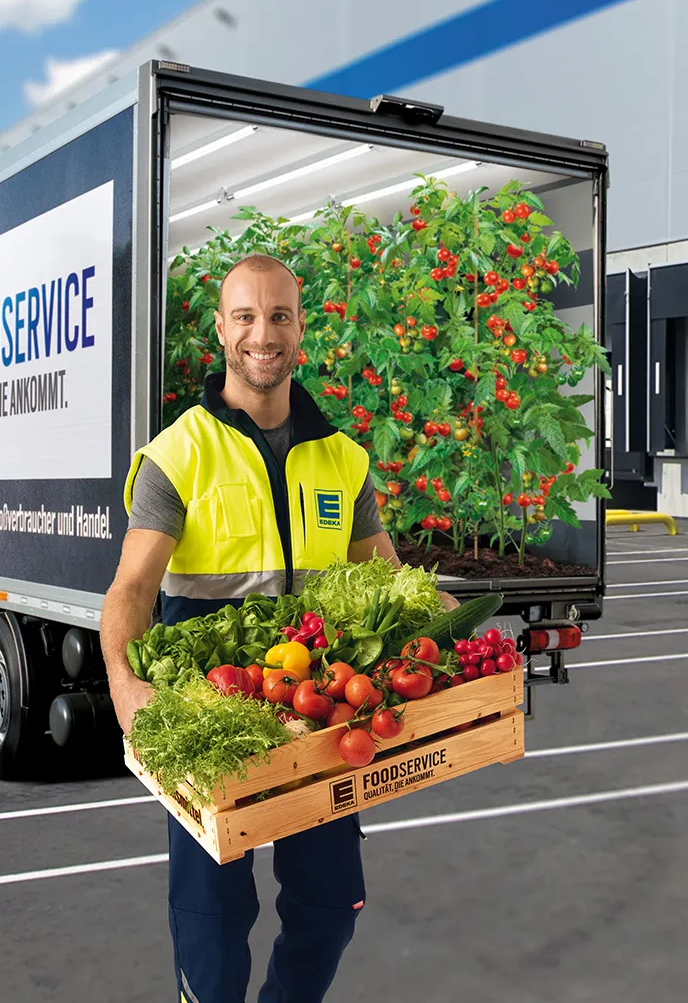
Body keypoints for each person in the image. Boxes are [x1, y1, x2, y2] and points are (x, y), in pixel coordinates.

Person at [101, 253, 457, 1003]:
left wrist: (459, 632)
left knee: (330, 906)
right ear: (222, 332)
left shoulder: (343, 458)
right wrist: (127, 689)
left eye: (279, 316)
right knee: (215, 917)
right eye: (246, 316)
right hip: (215, 714)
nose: (262, 333)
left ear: (301, 330)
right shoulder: (180, 454)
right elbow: (131, 587)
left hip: (320, 711)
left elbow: (389, 573)